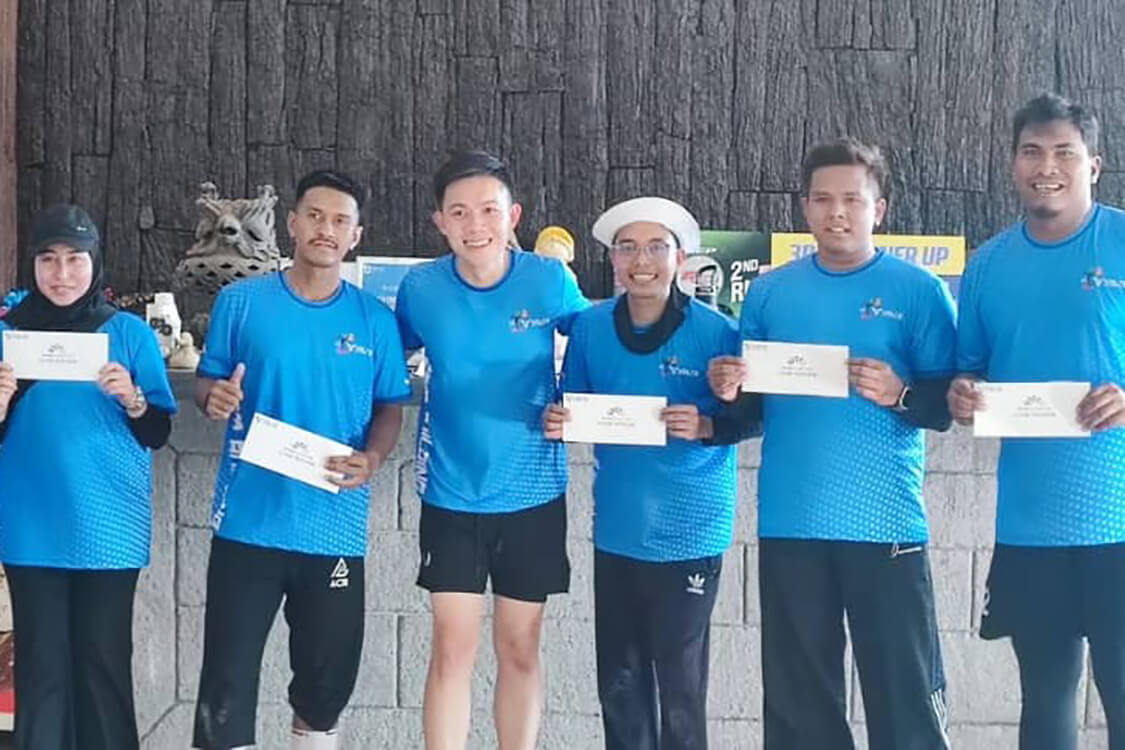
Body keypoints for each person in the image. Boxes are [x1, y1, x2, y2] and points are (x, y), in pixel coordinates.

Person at [709, 138, 956, 749]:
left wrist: (901, 393)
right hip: (792, 523)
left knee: (905, 704)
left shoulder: (918, 290)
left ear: (880, 209)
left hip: (886, 526)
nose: (836, 212)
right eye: (822, 199)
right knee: (799, 710)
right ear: (805, 207)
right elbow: (752, 414)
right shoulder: (770, 293)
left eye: (852, 199)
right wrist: (731, 390)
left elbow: (947, 404)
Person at [191, 170, 411, 750]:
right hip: (248, 524)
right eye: (315, 215)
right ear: (291, 223)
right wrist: (213, 398)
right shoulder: (240, 303)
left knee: (325, 686)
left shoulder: (374, 320)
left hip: (333, 528)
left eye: (340, 220)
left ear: (356, 235)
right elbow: (209, 380)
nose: (325, 229)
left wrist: (373, 457)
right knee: (226, 683)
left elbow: (391, 404)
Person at [395, 150, 589, 750]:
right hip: (451, 492)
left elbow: (597, 349)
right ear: (440, 222)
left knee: (519, 647)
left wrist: (578, 406)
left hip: (533, 493)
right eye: (459, 212)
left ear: (513, 216)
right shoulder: (421, 289)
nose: (474, 224)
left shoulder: (549, 280)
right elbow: (380, 362)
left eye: (488, 210)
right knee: (452, 650)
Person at [948, 93, 1125, 750]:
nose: (1046, 167)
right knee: (1045, 703)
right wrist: (962, 394)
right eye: (1031, 152)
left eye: (1063, 153)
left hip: (1118, 526)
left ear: (1093, 165)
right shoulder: (988, 265)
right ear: (1013, 163)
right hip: (1031, 526)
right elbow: (967, 371)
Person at [543, 197, 747, 749]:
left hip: (690, 533)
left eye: (656, 247)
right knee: (620, 686)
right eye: (627, 248)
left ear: (680, 258)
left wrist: (707, 423)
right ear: (612, 260)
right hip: (618, 530)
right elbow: (576, 406)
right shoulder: (590, 329)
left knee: (681, 691)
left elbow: (753, 417)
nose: (642, 261)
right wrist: (560, 421)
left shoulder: (717, 332)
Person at [0, 203, 177, 750]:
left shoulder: (127, 334)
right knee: (40, 669)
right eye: (48, 259)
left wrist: (133, 398)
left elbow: (157, 432)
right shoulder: (8, 336)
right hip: (30, 528)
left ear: (94, 263)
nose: (61, 273)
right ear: (32, 264)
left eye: (75, 259)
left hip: (110, 529)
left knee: (103, 666)